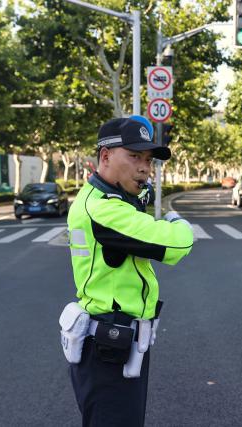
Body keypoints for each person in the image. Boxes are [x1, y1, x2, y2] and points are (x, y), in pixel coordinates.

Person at [64, 116, 194, 427]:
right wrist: (177, 221)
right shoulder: (105, 210)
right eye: (134, 156)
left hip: (113, 343)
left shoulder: (103, 198)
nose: (144, 168)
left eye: (148, 160)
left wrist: (136, 196)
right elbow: (177, 245)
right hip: (109, 347)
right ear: (105, 156)